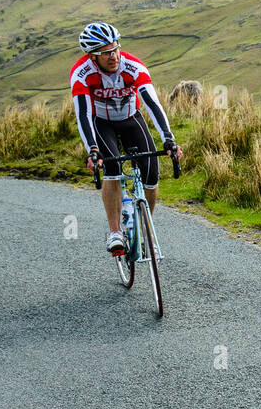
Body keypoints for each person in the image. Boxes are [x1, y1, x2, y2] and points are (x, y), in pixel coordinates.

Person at [70, 22, 183, 255]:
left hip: (131, 117)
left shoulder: (133, 66)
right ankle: (114, 232)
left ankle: (145, 227)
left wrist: (168, 139)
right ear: (92, 56)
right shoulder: (81, 73)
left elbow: (152, 104)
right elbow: (83, 114)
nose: (113, 56)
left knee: (151, 174)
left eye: (115, 49)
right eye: (105, 53)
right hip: (102, 123)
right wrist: (92, 148)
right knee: (112, 167)